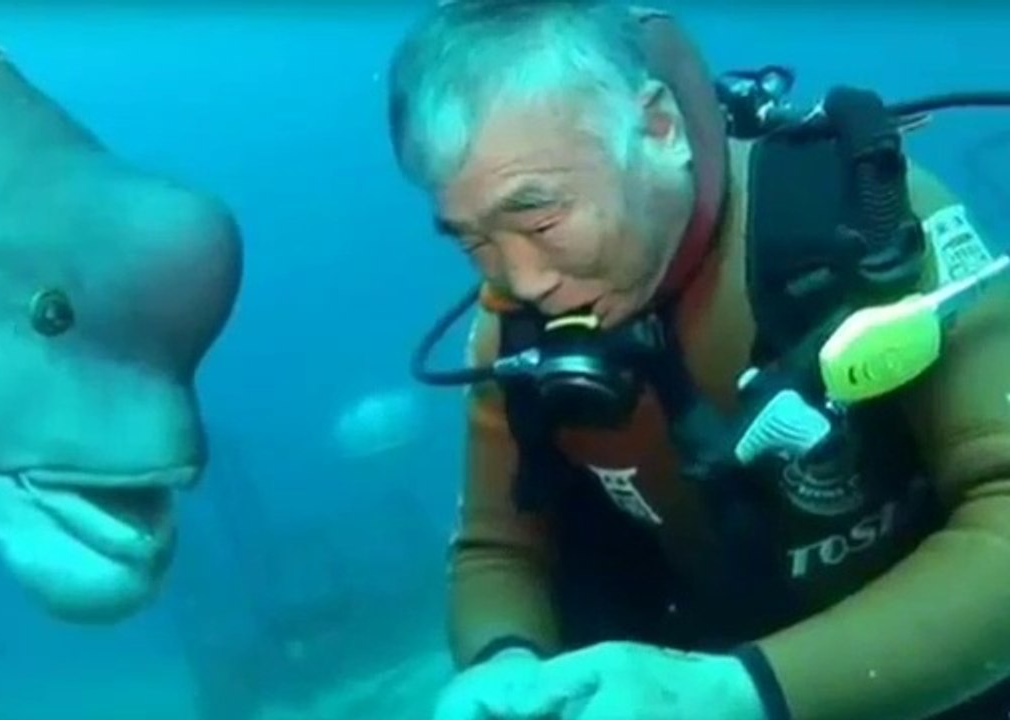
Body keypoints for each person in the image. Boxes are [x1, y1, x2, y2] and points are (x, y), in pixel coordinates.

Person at [386, 1, 1010, 719]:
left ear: (657, 127)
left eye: (541, 218)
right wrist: (507, 667)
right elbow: (500, 549)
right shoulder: (514, 330)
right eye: (472, 239)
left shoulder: (867, 225)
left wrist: (739, 691)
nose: (521, 280)